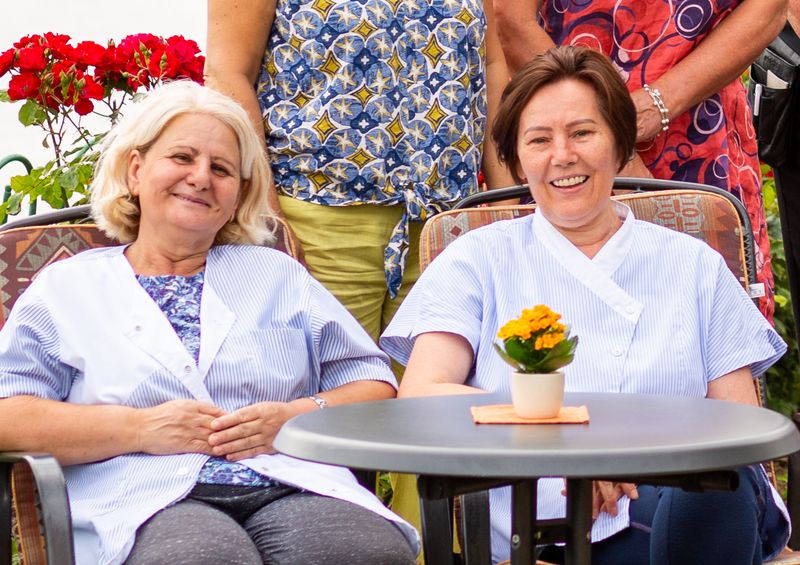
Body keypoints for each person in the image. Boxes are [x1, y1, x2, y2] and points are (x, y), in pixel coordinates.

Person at [381, 46, 789, 564]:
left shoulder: (693, 264)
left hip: (688, 494)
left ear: (619, 144)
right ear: (516, 159)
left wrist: (635, 459)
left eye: (582, 133)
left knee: (712, 490)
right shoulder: (477, 259)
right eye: (539, 139)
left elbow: (739, 426)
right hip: (539, 521)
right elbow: (423, 394)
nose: (562, 155)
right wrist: (578, 451)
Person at [0, 81, 418, 565]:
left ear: (237, 195)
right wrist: (140, 428)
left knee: (366, 552)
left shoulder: (275, 274)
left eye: (221, 169)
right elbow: (9, 416)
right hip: (142, 493)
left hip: (290, 478)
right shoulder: (67, 287)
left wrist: (293, 416)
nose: (200, 178)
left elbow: (372, 384)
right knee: (201, 557)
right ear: (136, 170)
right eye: (182, 157)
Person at [204, 0, 513, 344]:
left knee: (440, 376)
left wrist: (508, 209)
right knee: (328, 375)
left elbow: (489, 64)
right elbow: (227, 74)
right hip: (317, 228)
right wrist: (267, 215)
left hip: (447, 227)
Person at [492, 0, 787, 322]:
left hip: (705, 132)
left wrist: (656, 105)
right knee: (561, 320)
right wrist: (608, 140)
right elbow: (510, 18)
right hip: (568, 142)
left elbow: (769, 6)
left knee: (714, 317)